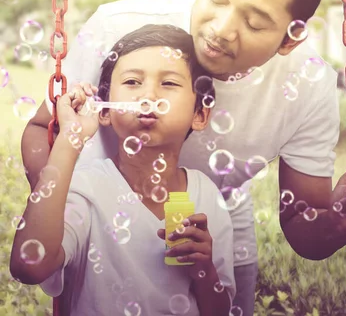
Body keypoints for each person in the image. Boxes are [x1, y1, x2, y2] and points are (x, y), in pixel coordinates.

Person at [20, 0, 346, 316]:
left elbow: (305, 229)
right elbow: (43, 129)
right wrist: (67, 207)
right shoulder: (120, 29)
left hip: (212, 214)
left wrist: (338, 223)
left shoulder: (308, 84)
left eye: (254, 21)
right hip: (100, 211)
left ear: (291, 37)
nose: (222, 29)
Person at [10, 24, 236, 316]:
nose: (148, 95)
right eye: (132, 82)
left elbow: (220, 310)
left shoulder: (206, 195)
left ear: (200, 113)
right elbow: (29, 267)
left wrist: (204, 270)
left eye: (169, 83)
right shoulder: (86, 190)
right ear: (104, 110)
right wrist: (71, 138)